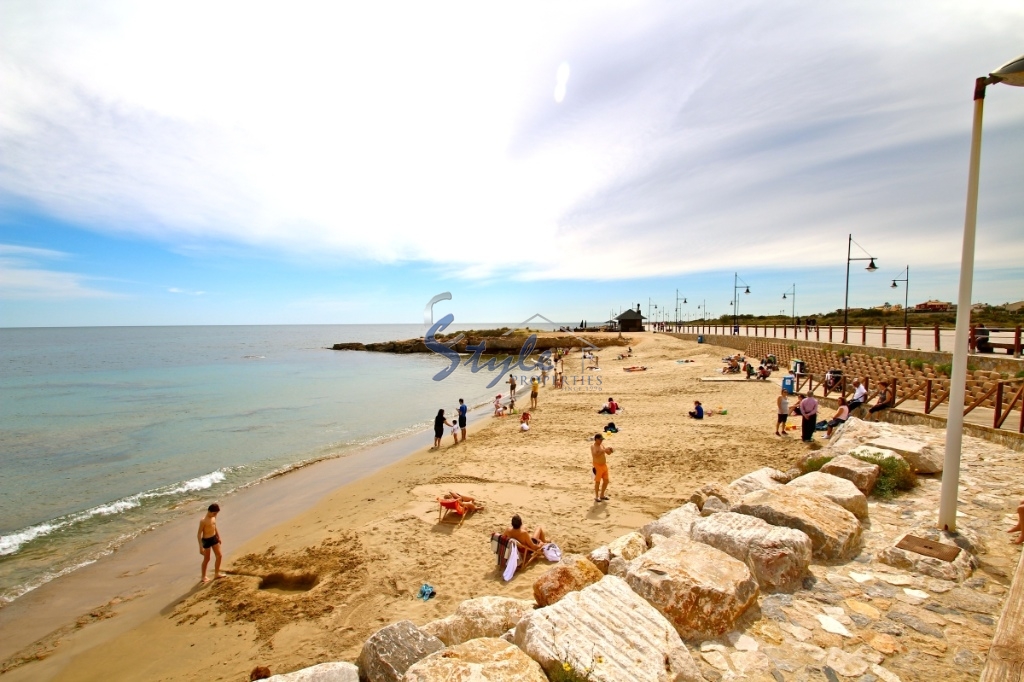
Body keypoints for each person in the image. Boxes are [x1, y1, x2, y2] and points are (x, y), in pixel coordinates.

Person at [198, 503, 223, 583]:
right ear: (209, 511)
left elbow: (215, 526)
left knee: (219, 556)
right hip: (206, 540)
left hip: (214, 538)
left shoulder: (214, 516)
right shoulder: (203, 521)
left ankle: (216, 574)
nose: (215, 515)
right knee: (207, 559)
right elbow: (199, 534)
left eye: (216, 513)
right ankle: (203, 576)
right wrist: (201, 547)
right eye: (214, 513)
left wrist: (218, 537)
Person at [591, 434, 613, 502]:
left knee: (606, 481)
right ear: (596, 439)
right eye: (600, 439)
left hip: (604, 465)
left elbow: (607, 453)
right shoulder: (593, 446)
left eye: (602, 439)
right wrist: (603, 450)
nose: (601, 441)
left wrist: (610, 450)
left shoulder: (601, 445)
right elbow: (595, 455)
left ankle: (602, 495)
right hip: (597, 466)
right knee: (597, 482)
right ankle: (596, 496)